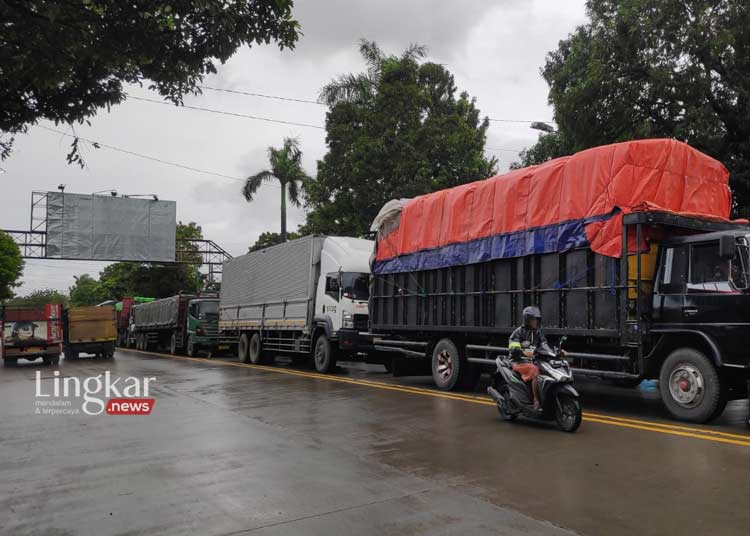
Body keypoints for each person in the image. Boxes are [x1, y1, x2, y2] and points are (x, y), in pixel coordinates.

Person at [508, 306, 546, 411]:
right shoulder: (518, 332)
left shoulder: (538, 333)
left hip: (532, 361)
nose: (536, 322)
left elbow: (545, 346)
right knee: (534, 369)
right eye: (533, 319)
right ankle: (536, 401)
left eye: (537, 320)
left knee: (546, 369)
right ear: (527, 319)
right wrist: (522, 351)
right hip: (518, 361)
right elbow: (513, 349)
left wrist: (557, 352)